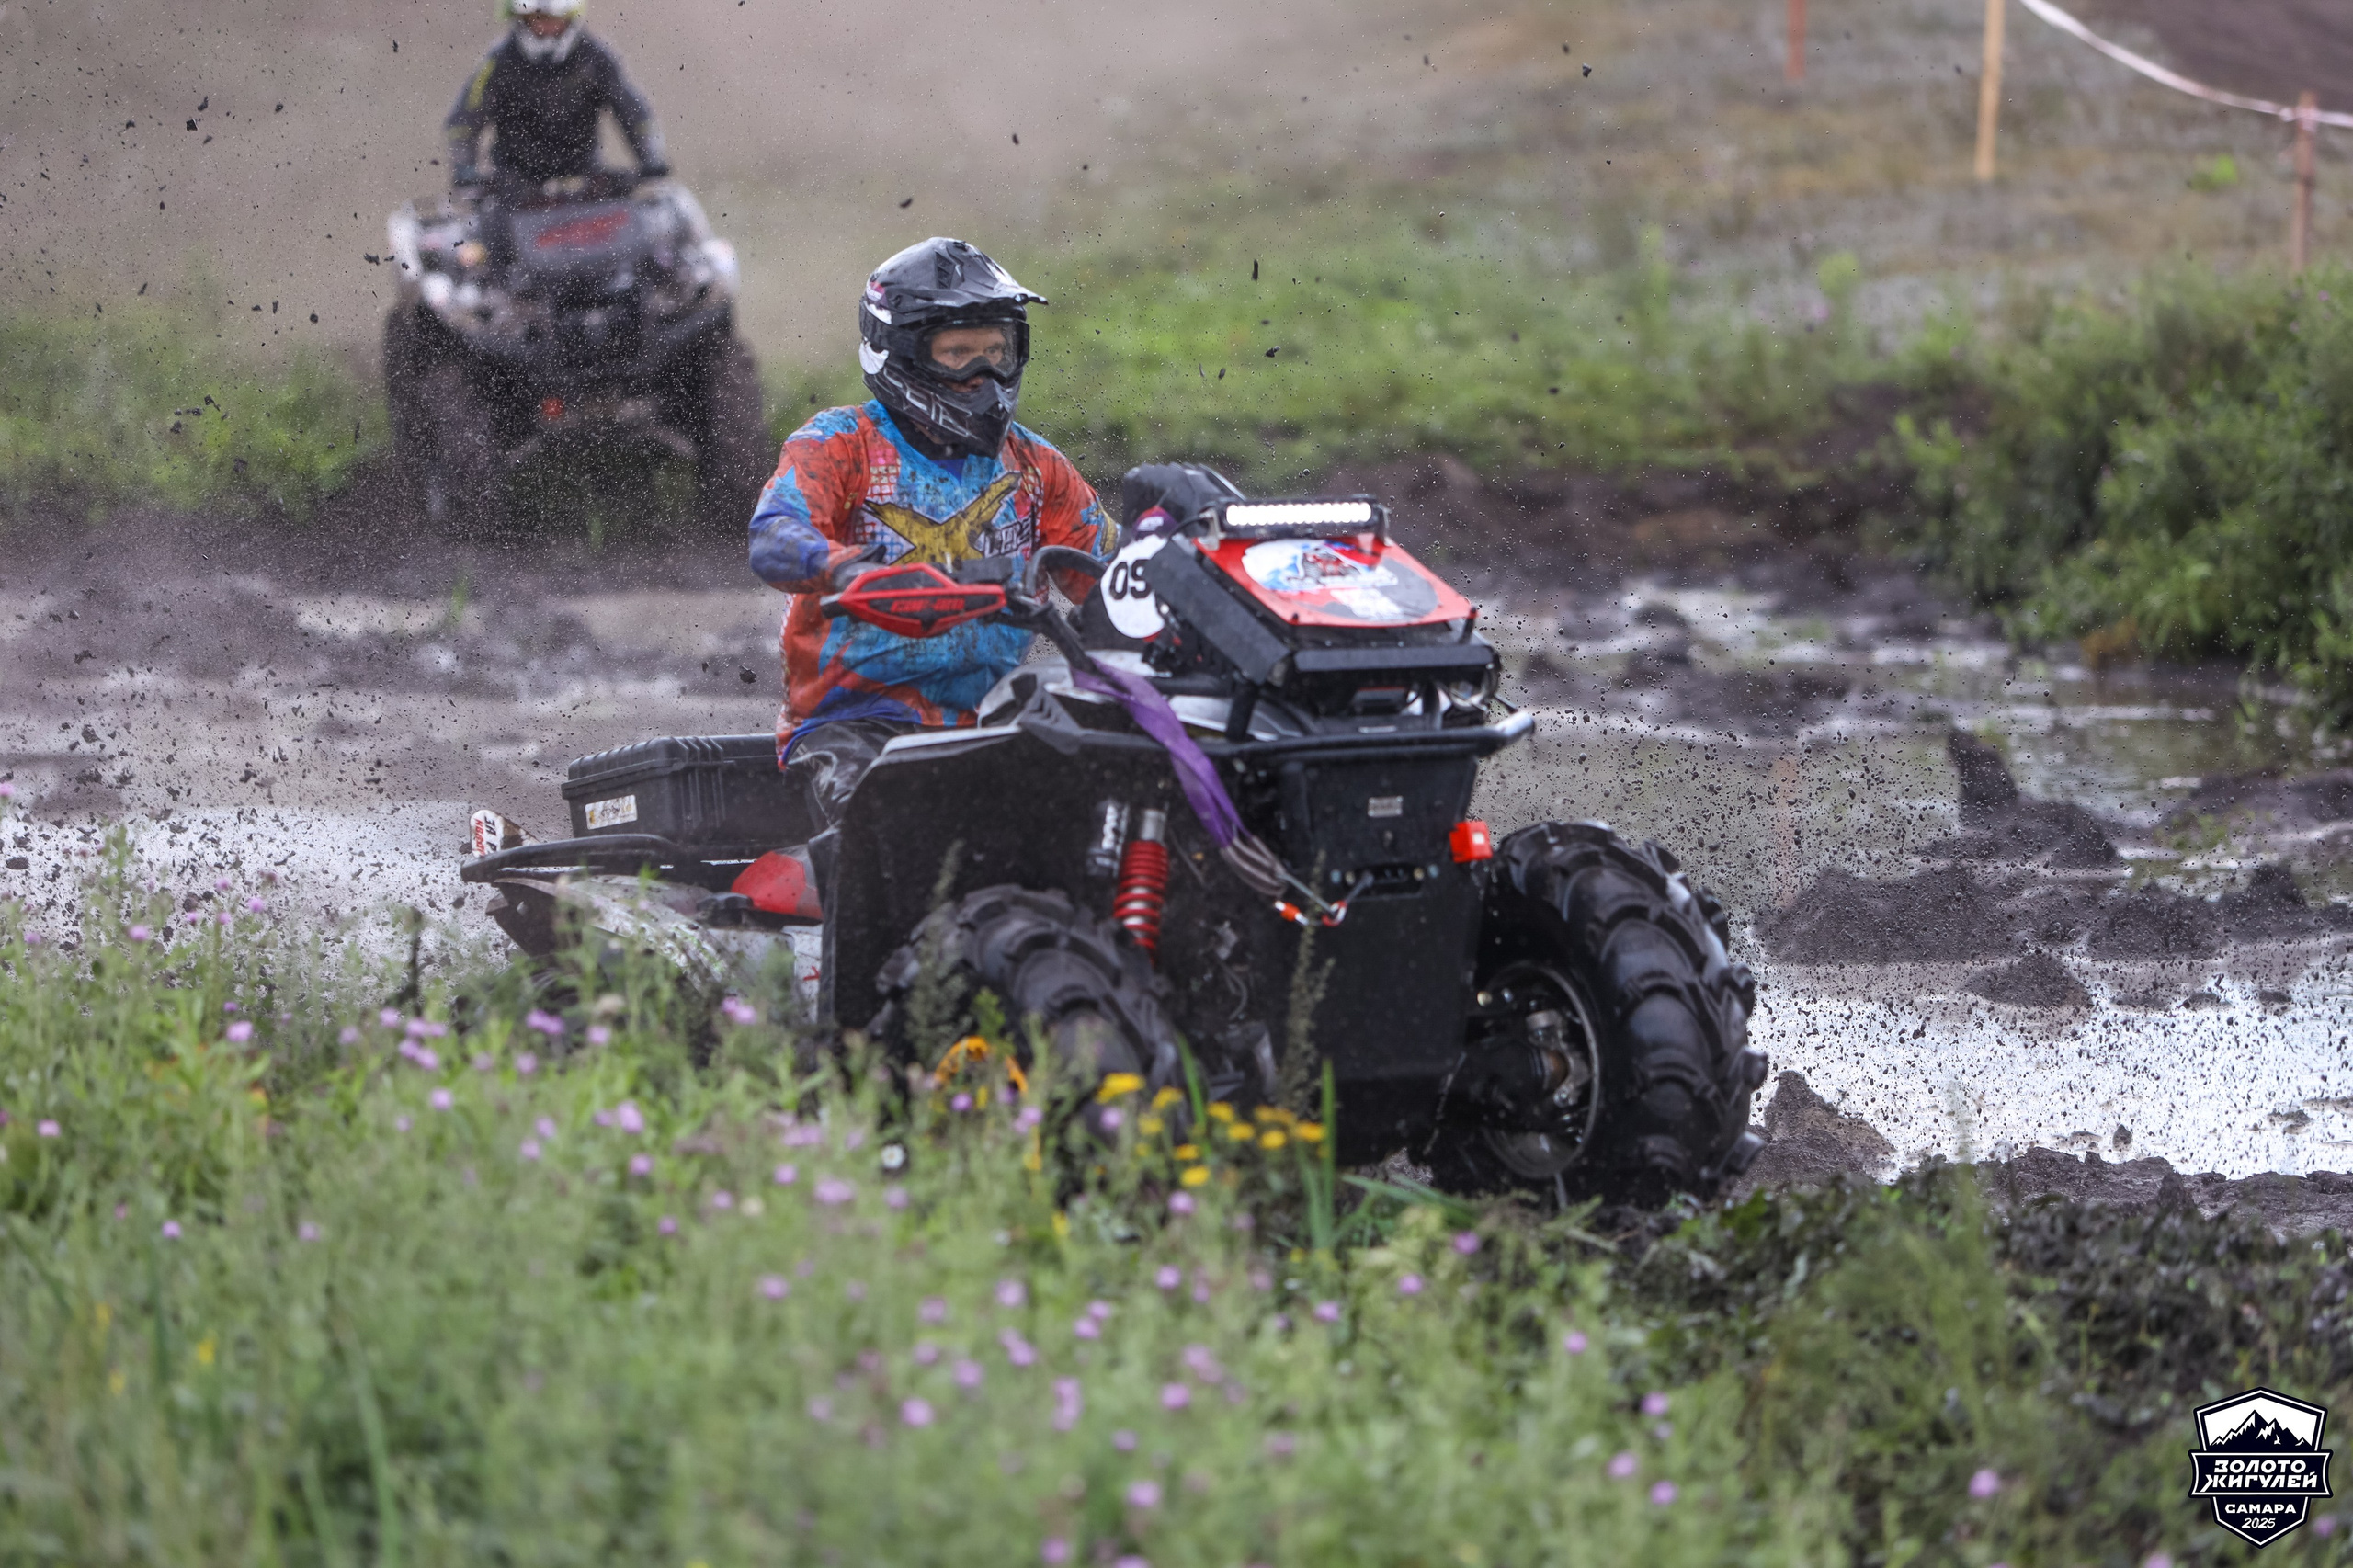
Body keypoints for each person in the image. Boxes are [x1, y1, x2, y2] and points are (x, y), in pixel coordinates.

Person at [748, 236, 1115, 833]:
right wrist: (849, 570)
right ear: (902, 354)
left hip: (997, 723)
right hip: (853, 726)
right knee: (897, 829)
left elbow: (1110, 575)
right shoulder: (841, 445)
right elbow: (773, 536)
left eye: (998, 351)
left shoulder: (1036, 467)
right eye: (959, 353)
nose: (983, 374)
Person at [444, 0, 669, 190]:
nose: (546, 27)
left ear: (571, 18)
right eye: (538, 19)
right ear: (521, 19)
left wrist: (651, 157)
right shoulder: (498, 62)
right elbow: (463, 120)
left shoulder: (596, 56)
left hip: (584, 183)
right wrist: (464, 167)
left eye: (554, 19)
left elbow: (635, 112)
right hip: (513, 188)